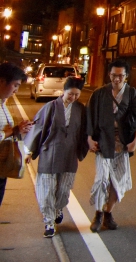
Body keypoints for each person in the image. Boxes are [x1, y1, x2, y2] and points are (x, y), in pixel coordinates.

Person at [86, 59, 136, 233]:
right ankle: (98, 214)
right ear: (109, 75)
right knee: (101, 180)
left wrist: (135, 141)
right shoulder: (98, 94)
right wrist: (90, 139)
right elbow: (89, 117)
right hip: (103, 143)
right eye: (114, 75)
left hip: (122, 144)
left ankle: (108, 213)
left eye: (120, 76)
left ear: (126, 76)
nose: (117, 79)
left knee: (117, 182)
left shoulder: (132, 94)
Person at [24, 77, 89, 237]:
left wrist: (90, 144)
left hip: (69, 154)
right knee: (46, 190)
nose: (73, 97)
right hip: (49, 152)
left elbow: (85, 132)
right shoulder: (50, 107)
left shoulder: (80, 109)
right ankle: (49, 222)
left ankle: (58, 208)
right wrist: (29, 151)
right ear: (63, 91)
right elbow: (38, 128)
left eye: (76, 94)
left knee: (63, 189)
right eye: (70, 94)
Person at [0, 62, 33, 207]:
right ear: (2, 81)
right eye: (15, 85)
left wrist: (18, 131)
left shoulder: (3, 104)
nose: (16, 90)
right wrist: (12, 131)